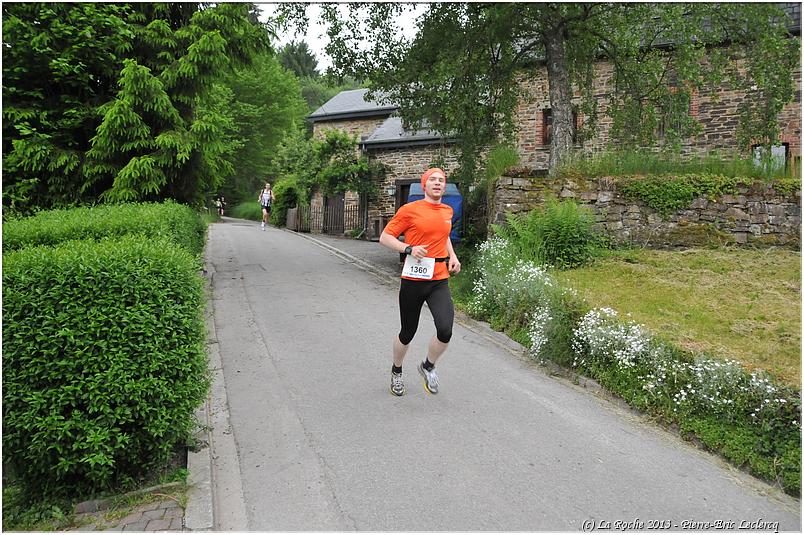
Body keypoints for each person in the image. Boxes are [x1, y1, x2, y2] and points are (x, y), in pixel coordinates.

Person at [379, 167, 461, 396]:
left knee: (445, 329)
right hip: (413, 279)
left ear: (444, 186)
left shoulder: (447, 210)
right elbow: (385, 237)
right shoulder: (410, 210)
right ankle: (396, 370)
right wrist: (408, 248)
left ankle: (428, 366)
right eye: (432, 180)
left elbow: (443, 237)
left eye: (441, 180)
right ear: (424, 185)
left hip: (438, 279)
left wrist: (452, 256)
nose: (437, 183)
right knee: (407, 332)